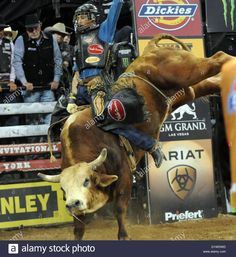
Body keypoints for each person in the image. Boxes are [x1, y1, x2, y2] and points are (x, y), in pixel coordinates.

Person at [66, 1, 163, 168]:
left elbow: (115, 10)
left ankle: (150, 145)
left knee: (103, 119)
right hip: (81, 88)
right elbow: (76, 73)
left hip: (98, 86)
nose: (79, 21)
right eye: (78, 18)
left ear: (92, 19)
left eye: (83, 18)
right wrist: (71, 98)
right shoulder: (78, 42)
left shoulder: (104, 31)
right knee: (58, 118)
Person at [13, 13, 62, 126]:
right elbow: (17, 62)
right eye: (30, 29)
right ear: (26, 29)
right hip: (30, 89)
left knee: (49, 117)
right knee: (32, 119)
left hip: (48, 86)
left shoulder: (50, 39)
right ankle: (34, 142)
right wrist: (24, 82)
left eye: (36, 28)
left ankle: (48, 142)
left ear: (40, 26)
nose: (34, 31)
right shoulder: (21, 40)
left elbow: (58, 60)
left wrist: (56, 79)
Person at [0, 16, 19, 129]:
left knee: (11, 112)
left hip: (7, 84)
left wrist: (12, 80)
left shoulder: (9, 43)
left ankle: (12, 141)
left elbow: (13, 63)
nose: (1, 32)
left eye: (2, 29)